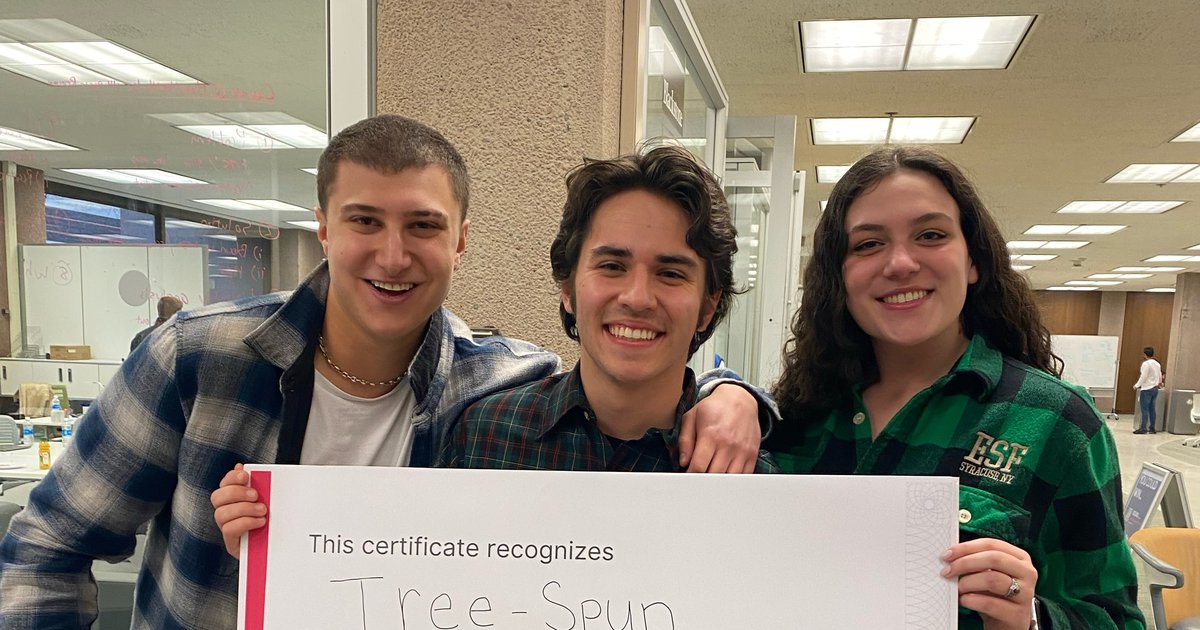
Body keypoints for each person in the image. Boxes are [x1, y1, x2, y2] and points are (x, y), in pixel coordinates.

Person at [0, 115, 763, 628]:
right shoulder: (195, 359)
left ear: (461, 241)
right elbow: (44, 549)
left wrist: (737, 395)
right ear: (323, 226)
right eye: (365, 220)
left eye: (423, 226)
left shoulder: (493, 389)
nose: (393, 256)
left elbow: (623, 373)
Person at [765, 147, 1143, 630]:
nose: (900, 263)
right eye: (867, 245)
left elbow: (1117, 619)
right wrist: (725, 394)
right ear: (838, 277)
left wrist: (1031, 618)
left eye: (930, 235)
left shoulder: (1057, 424)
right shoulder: (797, 415)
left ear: (973, 261)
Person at [437, 145, 777, 472]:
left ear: (707, 306)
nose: (637, 298)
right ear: (568, 288)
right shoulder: (482, 438)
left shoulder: (745, 479)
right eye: (612, 266)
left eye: (671, 274)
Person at [1133, 346, 1163, 434]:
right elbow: (1160, 374)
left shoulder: (1146, 364)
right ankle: (1152, 428)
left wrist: (1137, 385)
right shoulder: (1157, 364)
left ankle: (1143, 428)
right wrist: (1160, 382)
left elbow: (1144, 376)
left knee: (1144, 409)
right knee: (1152, 409)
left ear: (1145, 354)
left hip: (1146, 389)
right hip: (1155, 388)